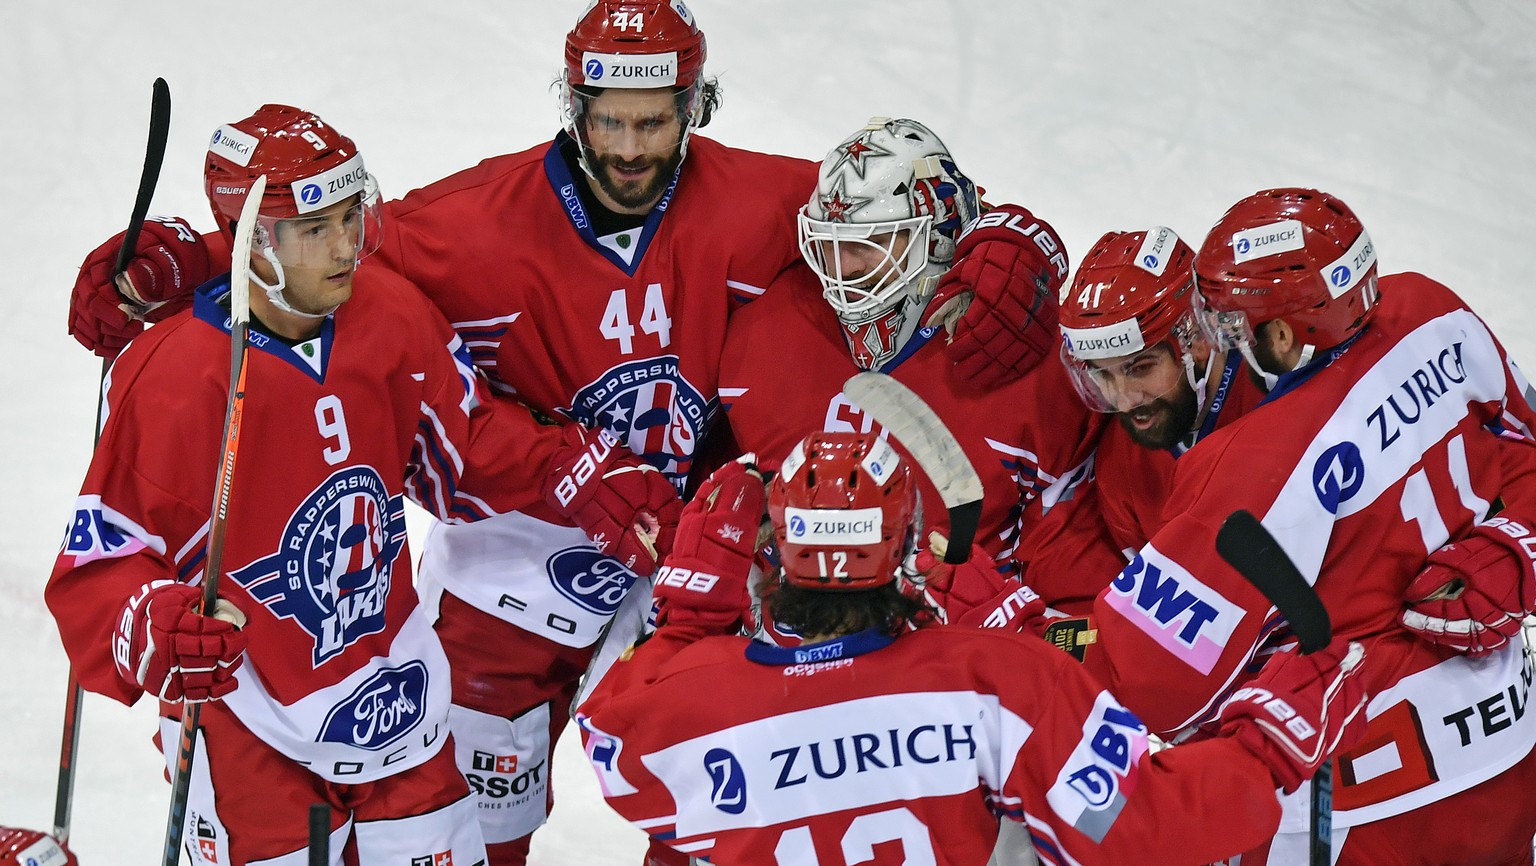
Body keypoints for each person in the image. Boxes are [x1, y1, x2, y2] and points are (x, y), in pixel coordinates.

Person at [62, 6, 1068, 862]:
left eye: (656, 121)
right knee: (478, 796)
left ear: (694, 108)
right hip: (531, 534)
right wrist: (193, 259)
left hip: (702, 537)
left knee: (738, 752)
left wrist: (1011, 235)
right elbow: (323, 249)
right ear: (573, 107)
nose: (631, 147)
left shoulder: (763, 200)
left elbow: (901, 210)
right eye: (610, 121)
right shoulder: (468, 224)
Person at [42, 105, 545, 864]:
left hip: (400, 703)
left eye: (351, 218)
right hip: (248, 726)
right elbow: (102, 563)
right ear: (255, 243)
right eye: (318, 230)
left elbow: (466, 451)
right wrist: (158, 625)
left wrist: (582, 471)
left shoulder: (389, 314)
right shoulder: (175, 377)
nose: (348, 247)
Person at [575, 431, 1368, 866]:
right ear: (905, 545)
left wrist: (684, 613)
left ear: (774, 558)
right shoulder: (997, 681)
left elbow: (616, 738)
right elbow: (1139, 829)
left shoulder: (672, 707)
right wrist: (1267, 748)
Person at [1068, 188, 1536, 864]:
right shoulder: (1435, 313)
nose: (1220, 340)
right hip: (1510, 754)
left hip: (1365, 808)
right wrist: (1517, 547)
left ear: (1283, 333)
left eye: (1227, 324)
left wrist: (1009, 622)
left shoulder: (1244, 469)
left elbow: (1150, 688)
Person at [715, 118, 1098, 623]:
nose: (841, 268)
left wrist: (1006, 627)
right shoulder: (757, 334)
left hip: (951, 680)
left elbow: (1080, 631)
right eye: (828, 242)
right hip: (783, 660)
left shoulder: (1036, 373)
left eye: (868, 242)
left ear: (940, 240)